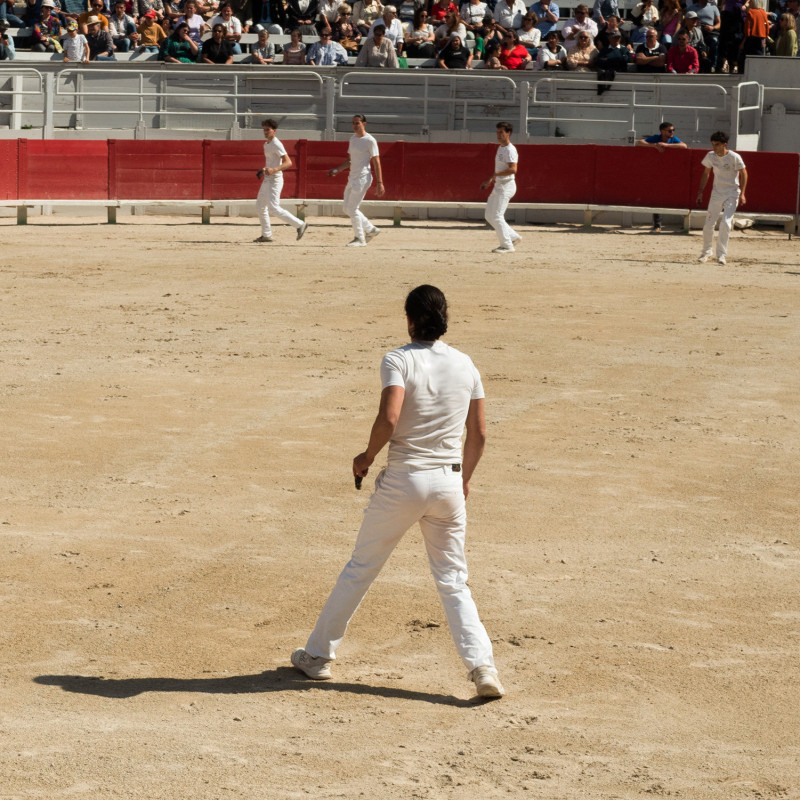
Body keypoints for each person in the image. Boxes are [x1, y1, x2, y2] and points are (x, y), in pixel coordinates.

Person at [290, 284, 505, 700]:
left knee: (361, 567)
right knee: (454, 581)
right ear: (444, 319)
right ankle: (482, 667)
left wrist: (366, 457)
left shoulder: (398, 359)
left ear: (409, 319)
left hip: (404, 479)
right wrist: (465, 479)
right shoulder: (466, 364)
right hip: (447, 482)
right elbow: (477, 433)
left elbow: (389, 419)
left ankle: (317, 656)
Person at [328, 114, 384, 247]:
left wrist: (380, 182)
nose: (354, 125)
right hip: (352, 177)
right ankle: (371, 229)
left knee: (352, 208)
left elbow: (376, 161)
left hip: (363, 178)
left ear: (364, 124)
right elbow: (350, 160)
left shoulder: (370, 140)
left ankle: (360, 238)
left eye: (357, 123)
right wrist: (338, 169)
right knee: (346, 208)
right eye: (353, 123)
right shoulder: (352, 139)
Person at [696, 131, 747, 265]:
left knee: (726, 222)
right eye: (713, 144)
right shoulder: (710, 156)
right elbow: (706, 173)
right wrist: (700, 192)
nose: (714, 147)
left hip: (732, 193)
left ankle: (721, 254)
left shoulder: (734, 157)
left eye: (717, 145)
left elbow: (743, 173)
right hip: (717, 193)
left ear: (725, 144)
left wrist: (742, 193)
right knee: (708, 224)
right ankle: (706, 252)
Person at [254, 118, 308, 243]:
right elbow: (271, 162)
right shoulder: (266, 144)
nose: (265, 132)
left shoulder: (276, 144)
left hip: (275, 180)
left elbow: (289, 162)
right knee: (260, 206)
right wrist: (264, 170)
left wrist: (274, 169)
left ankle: (300, 224)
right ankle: (266, 235)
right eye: (264, 130)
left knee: (273, 208)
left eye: (268, 130)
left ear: (274, 131)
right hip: (268, 179)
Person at [636, 122, 688, 232]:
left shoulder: (673, 139)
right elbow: (639, 143)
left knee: (675, 196)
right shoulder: (656, 138)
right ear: (662, 131)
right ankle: (657, 225)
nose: (672, 132)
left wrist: (666, 145)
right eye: (669, 131)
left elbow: (684, 146)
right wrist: (654, 145)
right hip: (657, 173)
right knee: (657, 197)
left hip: (672, 173)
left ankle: (683, 222)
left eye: (673, 130)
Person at [481, 120, 520, 254]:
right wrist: (491, 179)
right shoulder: (501, 147)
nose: (498, 135)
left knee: (497, 216)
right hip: (499, 185)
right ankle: (513, 237)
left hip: (506, 186)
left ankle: (507, 246)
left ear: (508, 133)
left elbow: (513, 169)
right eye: (497, 132)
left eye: (501, 132)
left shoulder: (510, 149)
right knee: (489, 216)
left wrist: (494, 175)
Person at [737, 0, 769, 72]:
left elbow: (747, 30)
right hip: (762, 38)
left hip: (751, 38)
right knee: (758, 58)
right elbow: (767, 27)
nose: (749, 2)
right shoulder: (763, 12)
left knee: (743, 59)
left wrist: (743, 43)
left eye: (750, 1)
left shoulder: (751, 13)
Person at [686, 0, 719, 68]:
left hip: (709, 32)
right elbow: (686, 21)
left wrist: (712, 27)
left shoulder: (713, 7)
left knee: (714, 42)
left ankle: (712, 65)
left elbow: (719, 23)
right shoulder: (691, 8)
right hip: (696, 31)